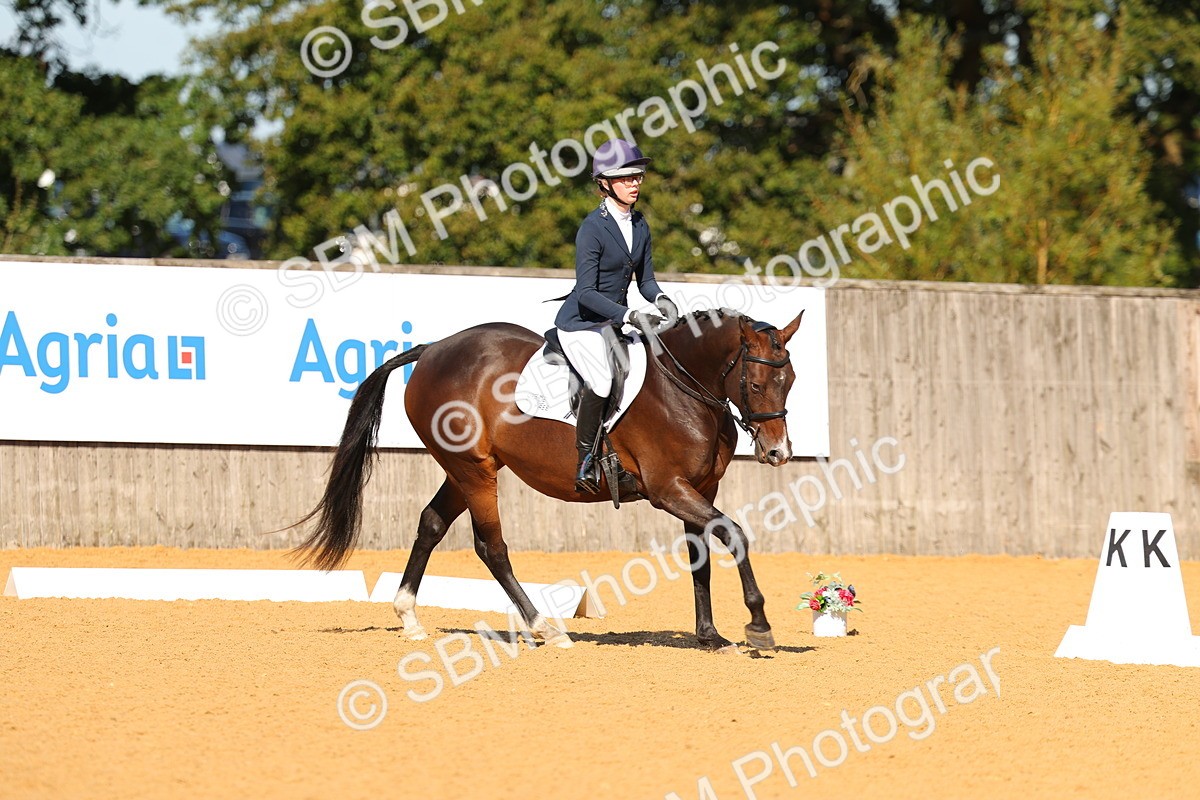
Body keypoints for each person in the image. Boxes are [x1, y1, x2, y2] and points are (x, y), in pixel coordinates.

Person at [553, 138, 679, 493]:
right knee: (604, 380)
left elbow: (647, 280)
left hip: (617, 321)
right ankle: (586, 462)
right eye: (626, 178)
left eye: (637, 176)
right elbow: (586, 292)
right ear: (605, 183)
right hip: (582, 323)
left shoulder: (640, 225)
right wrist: (630, 315)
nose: (635, 183)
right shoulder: (592, 228)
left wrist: (662, 299)